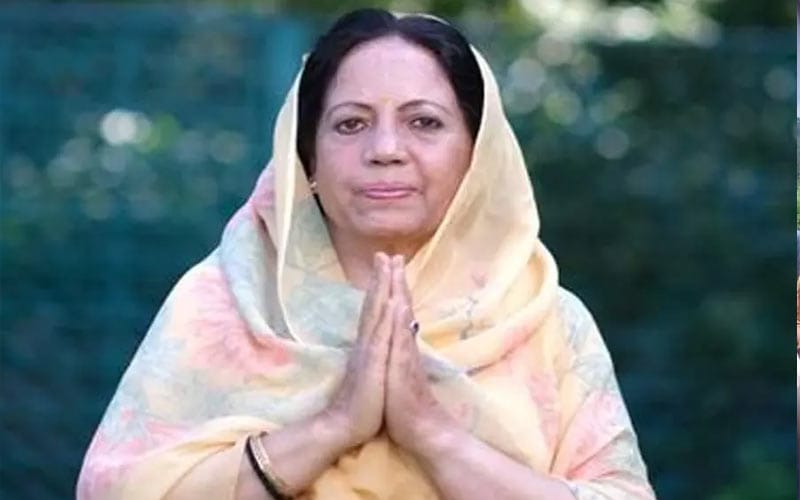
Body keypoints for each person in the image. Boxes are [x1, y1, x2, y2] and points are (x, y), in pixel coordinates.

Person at [77, 9, 654, 499]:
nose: (385, 149)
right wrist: (334, 425)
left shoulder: (545, 320)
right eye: (351, 124)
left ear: (477, 155)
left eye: (424, 122)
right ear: (307, 159)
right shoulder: (222, 305)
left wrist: (431, 433)